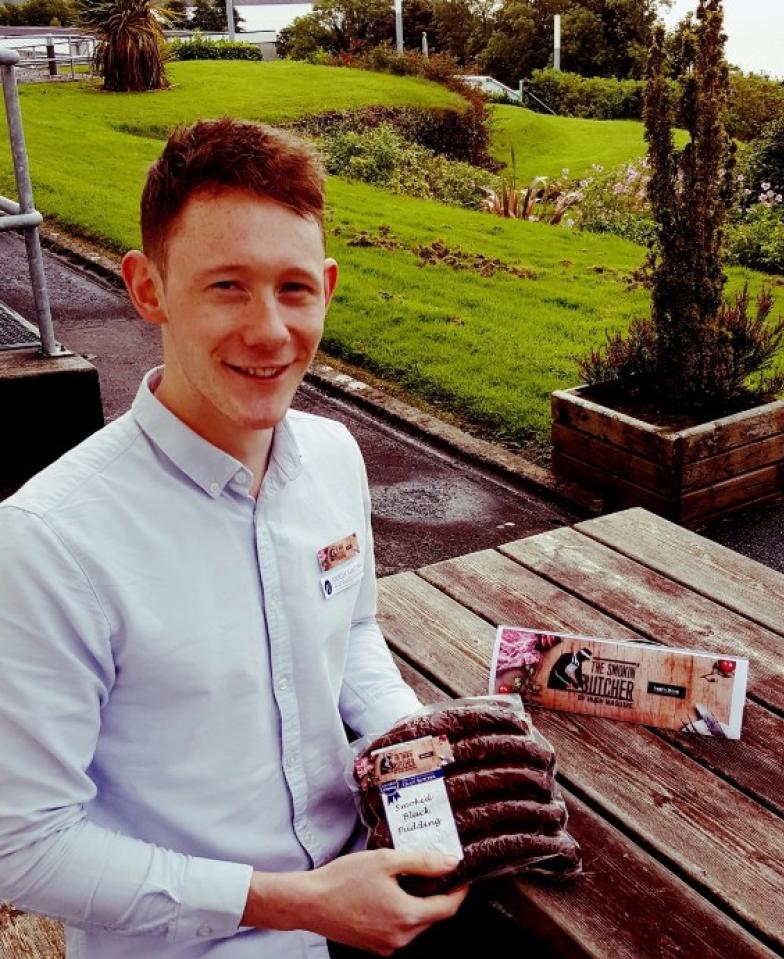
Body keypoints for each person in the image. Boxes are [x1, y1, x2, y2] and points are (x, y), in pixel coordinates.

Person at [0, 118, 467, 959]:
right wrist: (303, 904)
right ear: (148, 288)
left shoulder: (335, 455)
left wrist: (421, 755)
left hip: (373, 888)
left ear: (327, 287)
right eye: (227, 286)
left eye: (294, 288)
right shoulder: (49, 543)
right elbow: (23, 847)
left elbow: (354, 633)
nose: (270, 331)